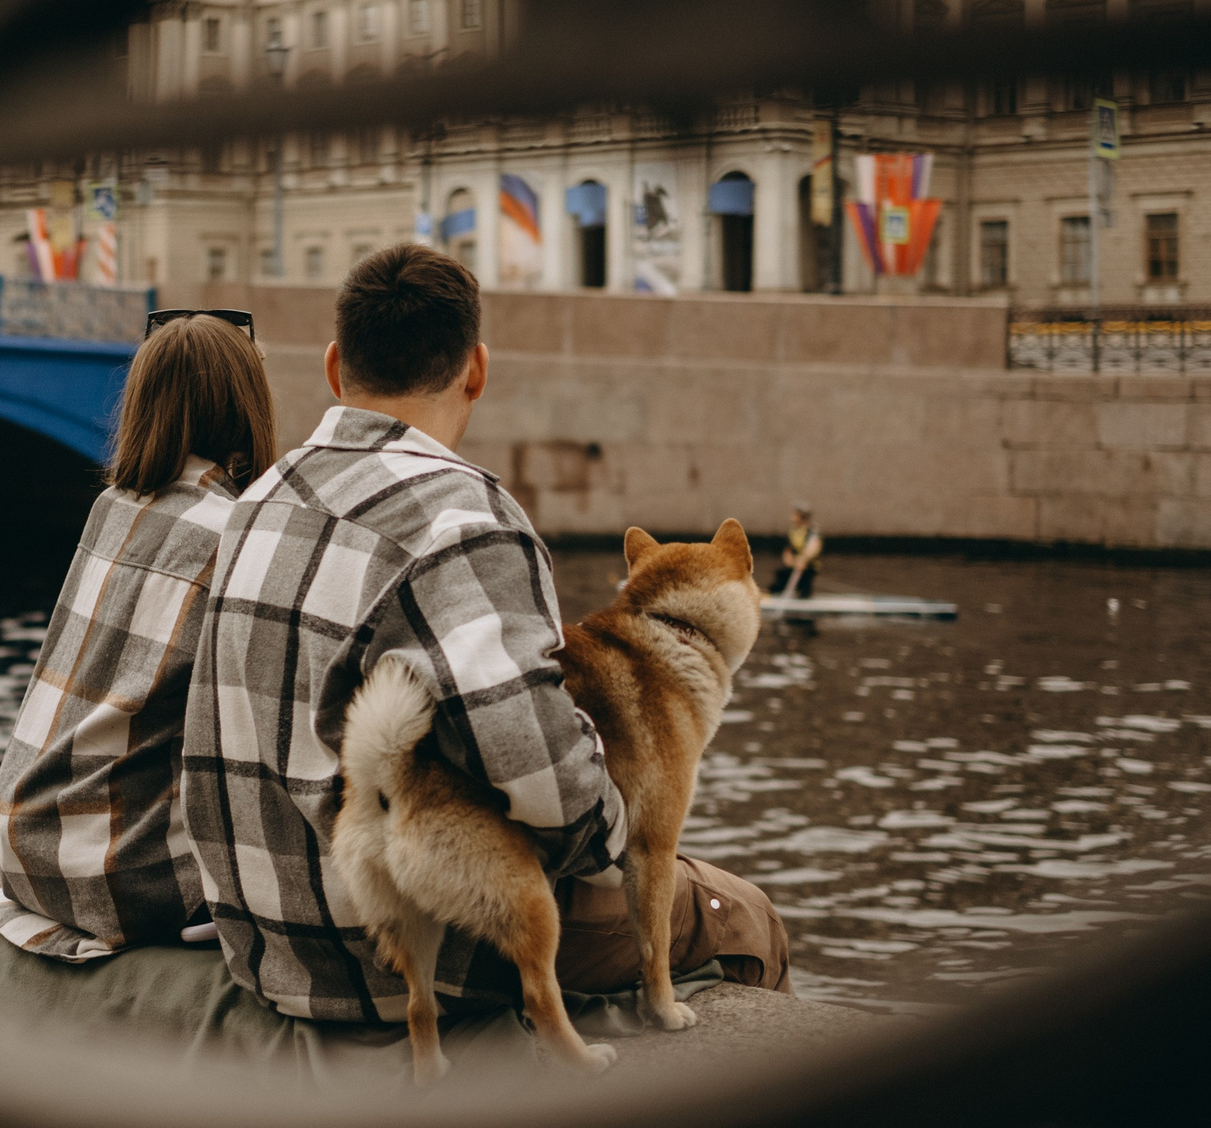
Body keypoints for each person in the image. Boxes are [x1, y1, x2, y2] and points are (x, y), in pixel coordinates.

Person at [183, 246, 791, 1027]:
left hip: (265, 941)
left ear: (336, 367)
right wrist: (618, 825)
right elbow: (552, 788)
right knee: (743, 915)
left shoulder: (255, 502)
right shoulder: (467, 521)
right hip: (416, 959)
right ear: (476, 369)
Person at [0, 309, 276, 960]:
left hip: (21, 848)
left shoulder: (110, 506)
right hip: (123, 882)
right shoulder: (236, 533)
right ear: (245, 406)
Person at [772, 502, 822, 599]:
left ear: (801, 516)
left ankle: (804, 598)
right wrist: (791, 561)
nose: (792, 516)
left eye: (795, 514)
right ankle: (775, 596)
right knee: (780, 575)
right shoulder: (793, 531)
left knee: (804, 588)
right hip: (795, 564)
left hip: (807, 566)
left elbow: (814, 547)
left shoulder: (811, 531)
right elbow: (788, 549)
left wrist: (804, 559)